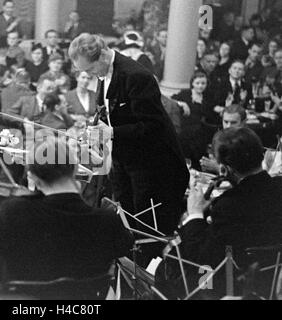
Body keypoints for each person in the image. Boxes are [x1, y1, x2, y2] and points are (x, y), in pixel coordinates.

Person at [0, 136, 134, 282]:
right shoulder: (108, 221)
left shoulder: (14, 216)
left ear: (31, 177)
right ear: (76, 170)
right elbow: (126, 245)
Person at [69, 34, 189, 241]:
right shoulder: (103, 72)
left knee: (145, 224)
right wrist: (95, 127)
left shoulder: (137, 76)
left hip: (150, 163)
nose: (88, 76)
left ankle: (144, 265)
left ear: (103, 56)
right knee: (125, 215)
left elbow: (154, 125)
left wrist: (113, 132)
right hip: (123, 159)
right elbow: (108, 110)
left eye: (89, 70)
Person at [174, 127, 282, 296]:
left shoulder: (228, 206)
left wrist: (194, 215)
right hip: (273, 278)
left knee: (174, 270)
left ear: (224, 170)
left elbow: (202, 259)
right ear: (261, 156)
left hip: (237, 287)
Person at [199, 104, 247, 174]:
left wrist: (218, 168)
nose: (228, 126)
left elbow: (245, 175)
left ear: (243, 123)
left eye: (233, 123)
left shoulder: (248, 142)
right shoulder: (218, 137)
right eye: (226, 122)